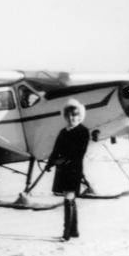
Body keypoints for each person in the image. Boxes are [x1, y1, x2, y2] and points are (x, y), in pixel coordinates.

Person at [45, 99, 90, 241]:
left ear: (80, 116)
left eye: (74, 115)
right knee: (70, 198)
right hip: (63, 169)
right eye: (68, 115)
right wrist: (50, 163)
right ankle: (74, 230)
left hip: (74, 169)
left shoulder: (83, 132)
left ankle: (66, 233)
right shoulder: (63, 132)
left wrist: (63, 160)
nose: (71, 118)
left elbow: (79, 153)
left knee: (68, 198)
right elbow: (56, 150)